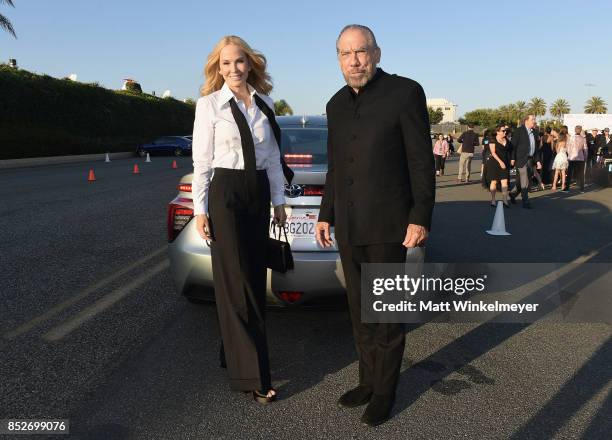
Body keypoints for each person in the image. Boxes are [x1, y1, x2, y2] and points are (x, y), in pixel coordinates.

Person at [315, 24, 435, 427]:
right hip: (349, 226)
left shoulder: (405, 93)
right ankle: (367, 381)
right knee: (360, 311)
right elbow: (335, 166)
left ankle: (385, 391)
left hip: (390, 225)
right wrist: (326, 213)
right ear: (338, 59)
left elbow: (421, 162)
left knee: (386, 314)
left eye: (361, 52)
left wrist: (420, 216)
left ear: (377, 53)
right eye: (345, 54)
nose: (354, 61)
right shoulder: (334, 105)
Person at [191, 35, 292, 404]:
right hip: (227, 193)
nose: (233, 69)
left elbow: (272, 155)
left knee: (250, 275)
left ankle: (229, 350)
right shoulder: (209, 105)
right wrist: (200, 209)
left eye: (239, 62)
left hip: (259, 191)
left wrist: (279, 200)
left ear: (250, 64)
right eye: (225, 64)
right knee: (238, 285)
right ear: (218, 69)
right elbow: (201, 162)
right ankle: (253, 374)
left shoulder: (265, 103)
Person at [509, 114, 541, 208]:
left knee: (521, 181)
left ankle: (513, 194)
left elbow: (536, 149)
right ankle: (525, 201)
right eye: (532, 119)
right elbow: (513, 146)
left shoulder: (535, 132)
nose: (534, 121)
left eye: (534, 119)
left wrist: (538, 161)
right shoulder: (519, 131)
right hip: (521, 159)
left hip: (531, 159)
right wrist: (512, 158)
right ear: (526, 121)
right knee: (525, 180)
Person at [485, 124, 511, 207]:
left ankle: (505, 200)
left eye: (505, 130)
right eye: (503, 131)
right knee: (494, 181)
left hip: (505, 162)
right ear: (498, 132)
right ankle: (493, 200)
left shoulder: (506, 139)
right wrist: (500, 162)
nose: (505, 132)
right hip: (495, 163)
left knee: (505, 181)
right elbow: (493, 153)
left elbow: (510, 150)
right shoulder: (492, 140)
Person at [567, 125, 588, 192]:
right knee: (581, 174)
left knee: (570, 173)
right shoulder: (583, 138)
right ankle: (582, 188)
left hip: (572, 158)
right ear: (580, 130)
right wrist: (585, 157)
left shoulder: (571, 138)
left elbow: (568, 147)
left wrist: (569, 155)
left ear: (575, 130)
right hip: (580, 158)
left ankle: (567, 188)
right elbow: (585, 149)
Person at [551, 126, 569, 191]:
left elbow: (557, 151)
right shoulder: (565, 143)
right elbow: (567, 150)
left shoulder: (558, 143)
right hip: (564, 157)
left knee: (556, 172)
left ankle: (554, 185)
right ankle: (563, 185)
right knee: (563, 172)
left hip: (559, 157)